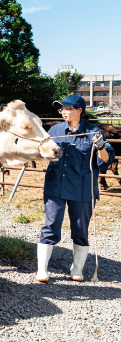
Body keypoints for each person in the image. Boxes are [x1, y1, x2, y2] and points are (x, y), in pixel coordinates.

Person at [36, 95, 114, 283]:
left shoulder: (93, 132)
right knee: (51, 225)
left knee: (80, 229)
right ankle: (42, 270)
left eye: (68, 108)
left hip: (82, 189)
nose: (64, 112)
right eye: (62, 108)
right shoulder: (54, 130)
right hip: (56, 185)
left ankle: (77, 268)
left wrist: (100, 145)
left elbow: (105, 160)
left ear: (79, 110)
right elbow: (43, 152)